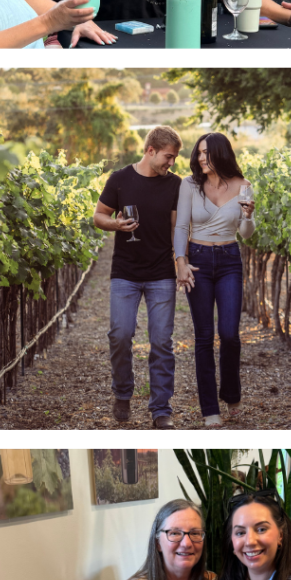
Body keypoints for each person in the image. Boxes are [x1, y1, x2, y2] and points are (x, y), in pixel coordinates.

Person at [93, 127, 183, 429]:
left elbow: (176, 229)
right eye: (168, 157)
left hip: (161, 274)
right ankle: (122, 392)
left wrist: (180, 262)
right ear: (151, 150)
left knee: (161, 342)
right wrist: (116, 226)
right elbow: (99, 216)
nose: (171, 163)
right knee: (119, 335)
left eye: (174, 158)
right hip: (125, 274)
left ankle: (161, 409)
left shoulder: (175, 185)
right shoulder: (119, 180)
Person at [174, 133, 255, 427]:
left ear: (220, 153)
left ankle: (232, 394)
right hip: (197, 260)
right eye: (198, 153)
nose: (200, 158)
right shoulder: (190, 185)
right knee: (204, 336)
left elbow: (246, 234)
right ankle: (210, 409)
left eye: (206, 153)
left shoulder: (243, 186)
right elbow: (182, 226)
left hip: (229, 259)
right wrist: (180, 262)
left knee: (230, 334)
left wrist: (248, 216)